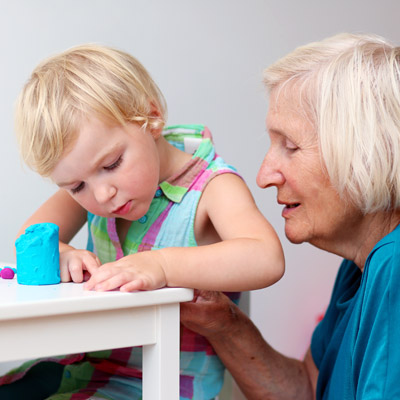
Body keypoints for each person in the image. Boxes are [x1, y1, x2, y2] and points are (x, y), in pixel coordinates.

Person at [0, 45, 284, 399]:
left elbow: (265, 257)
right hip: (84, 364)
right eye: (76, 186)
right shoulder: (93, 184)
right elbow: (32, 235)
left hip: (160, 381)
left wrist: (161, 265)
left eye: (112, 164)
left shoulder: (212, 188)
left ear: (150, 119)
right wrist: (57, 251)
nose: (101, 194)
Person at [181, 32, 400, 399]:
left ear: (366, 152)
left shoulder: (394, 264)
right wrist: (224, 324)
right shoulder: (359, 265)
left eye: (291, 146)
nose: (264, 176)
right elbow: (309, 389)